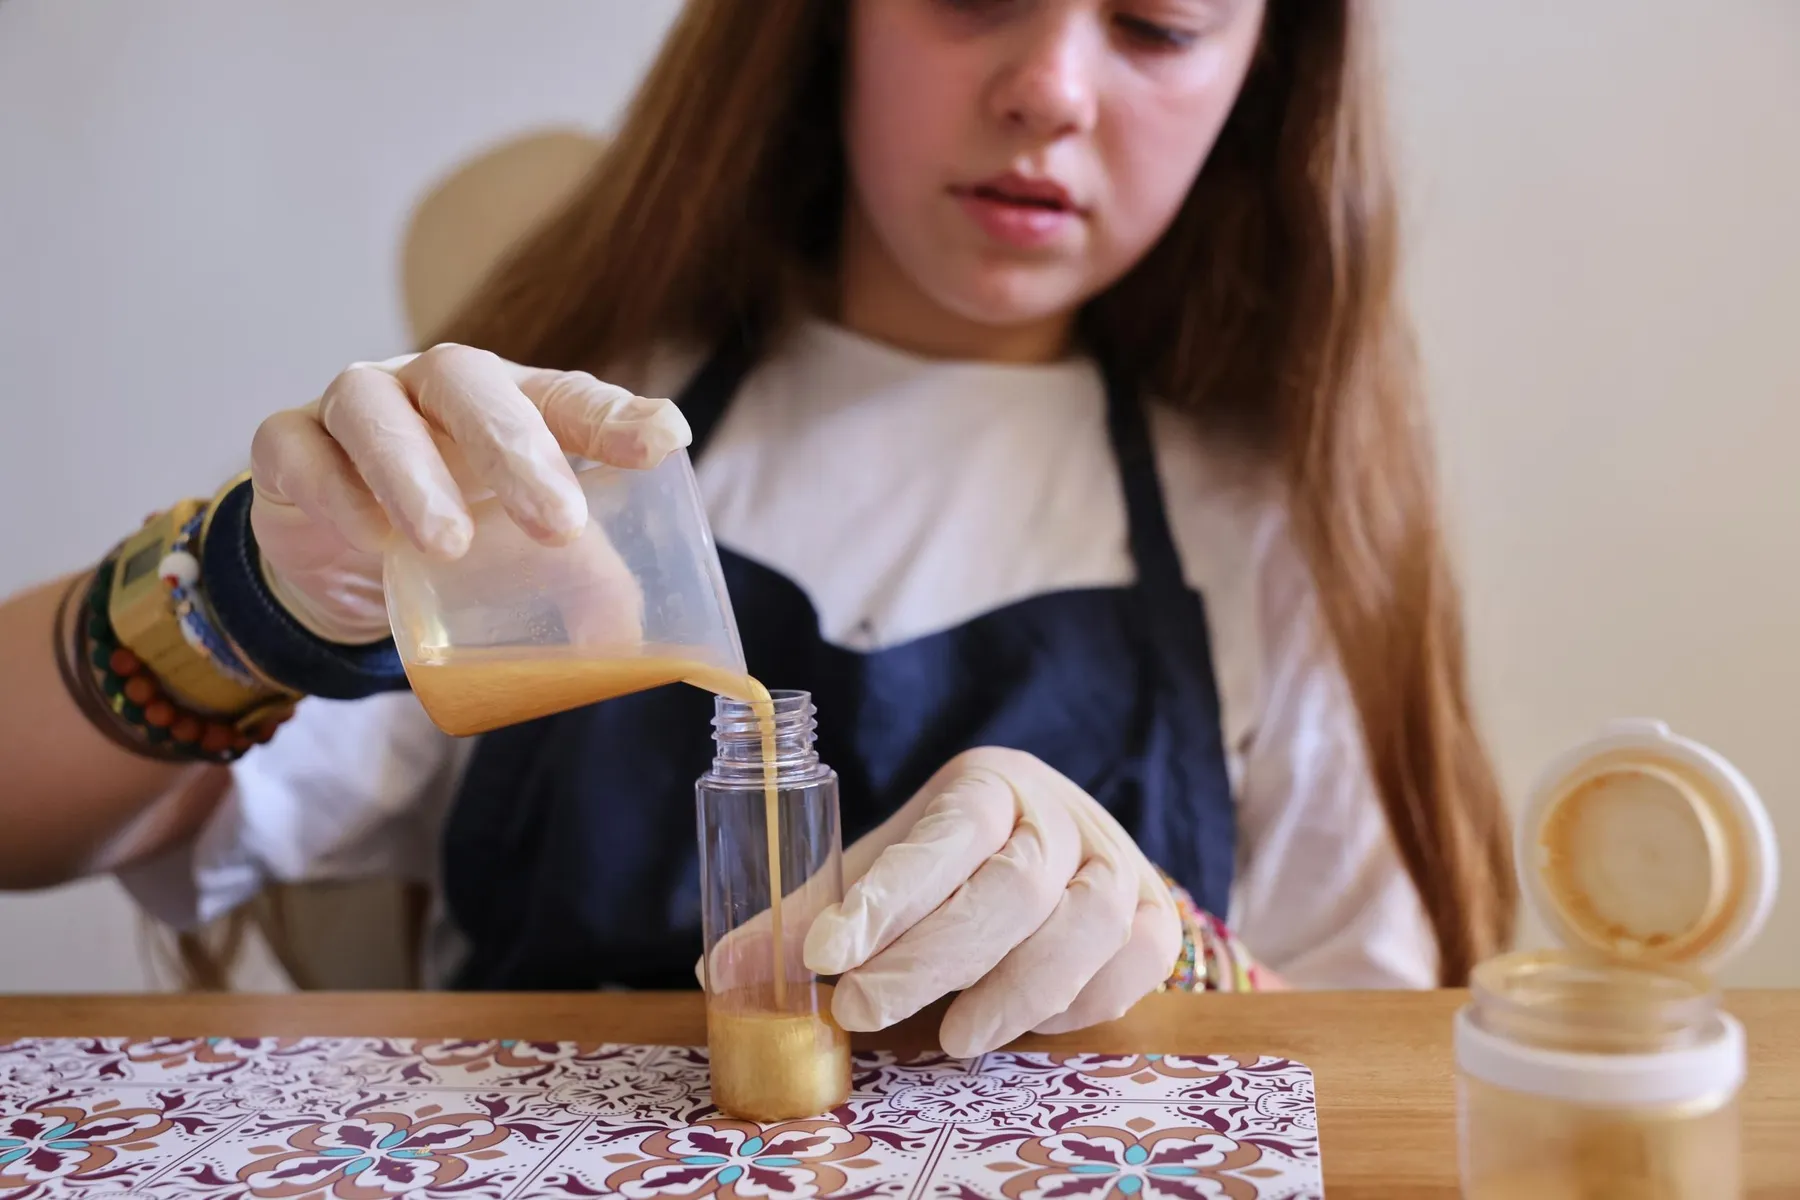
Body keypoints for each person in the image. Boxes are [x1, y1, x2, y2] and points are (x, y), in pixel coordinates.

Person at [0, 0, 1515, 1056]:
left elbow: (1383, 1062)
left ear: (1263, 72)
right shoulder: (563, 452)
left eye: (1161, 24)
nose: (1052, 88)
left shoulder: (1267, 531)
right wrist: (246, 597)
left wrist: (1158, 949)